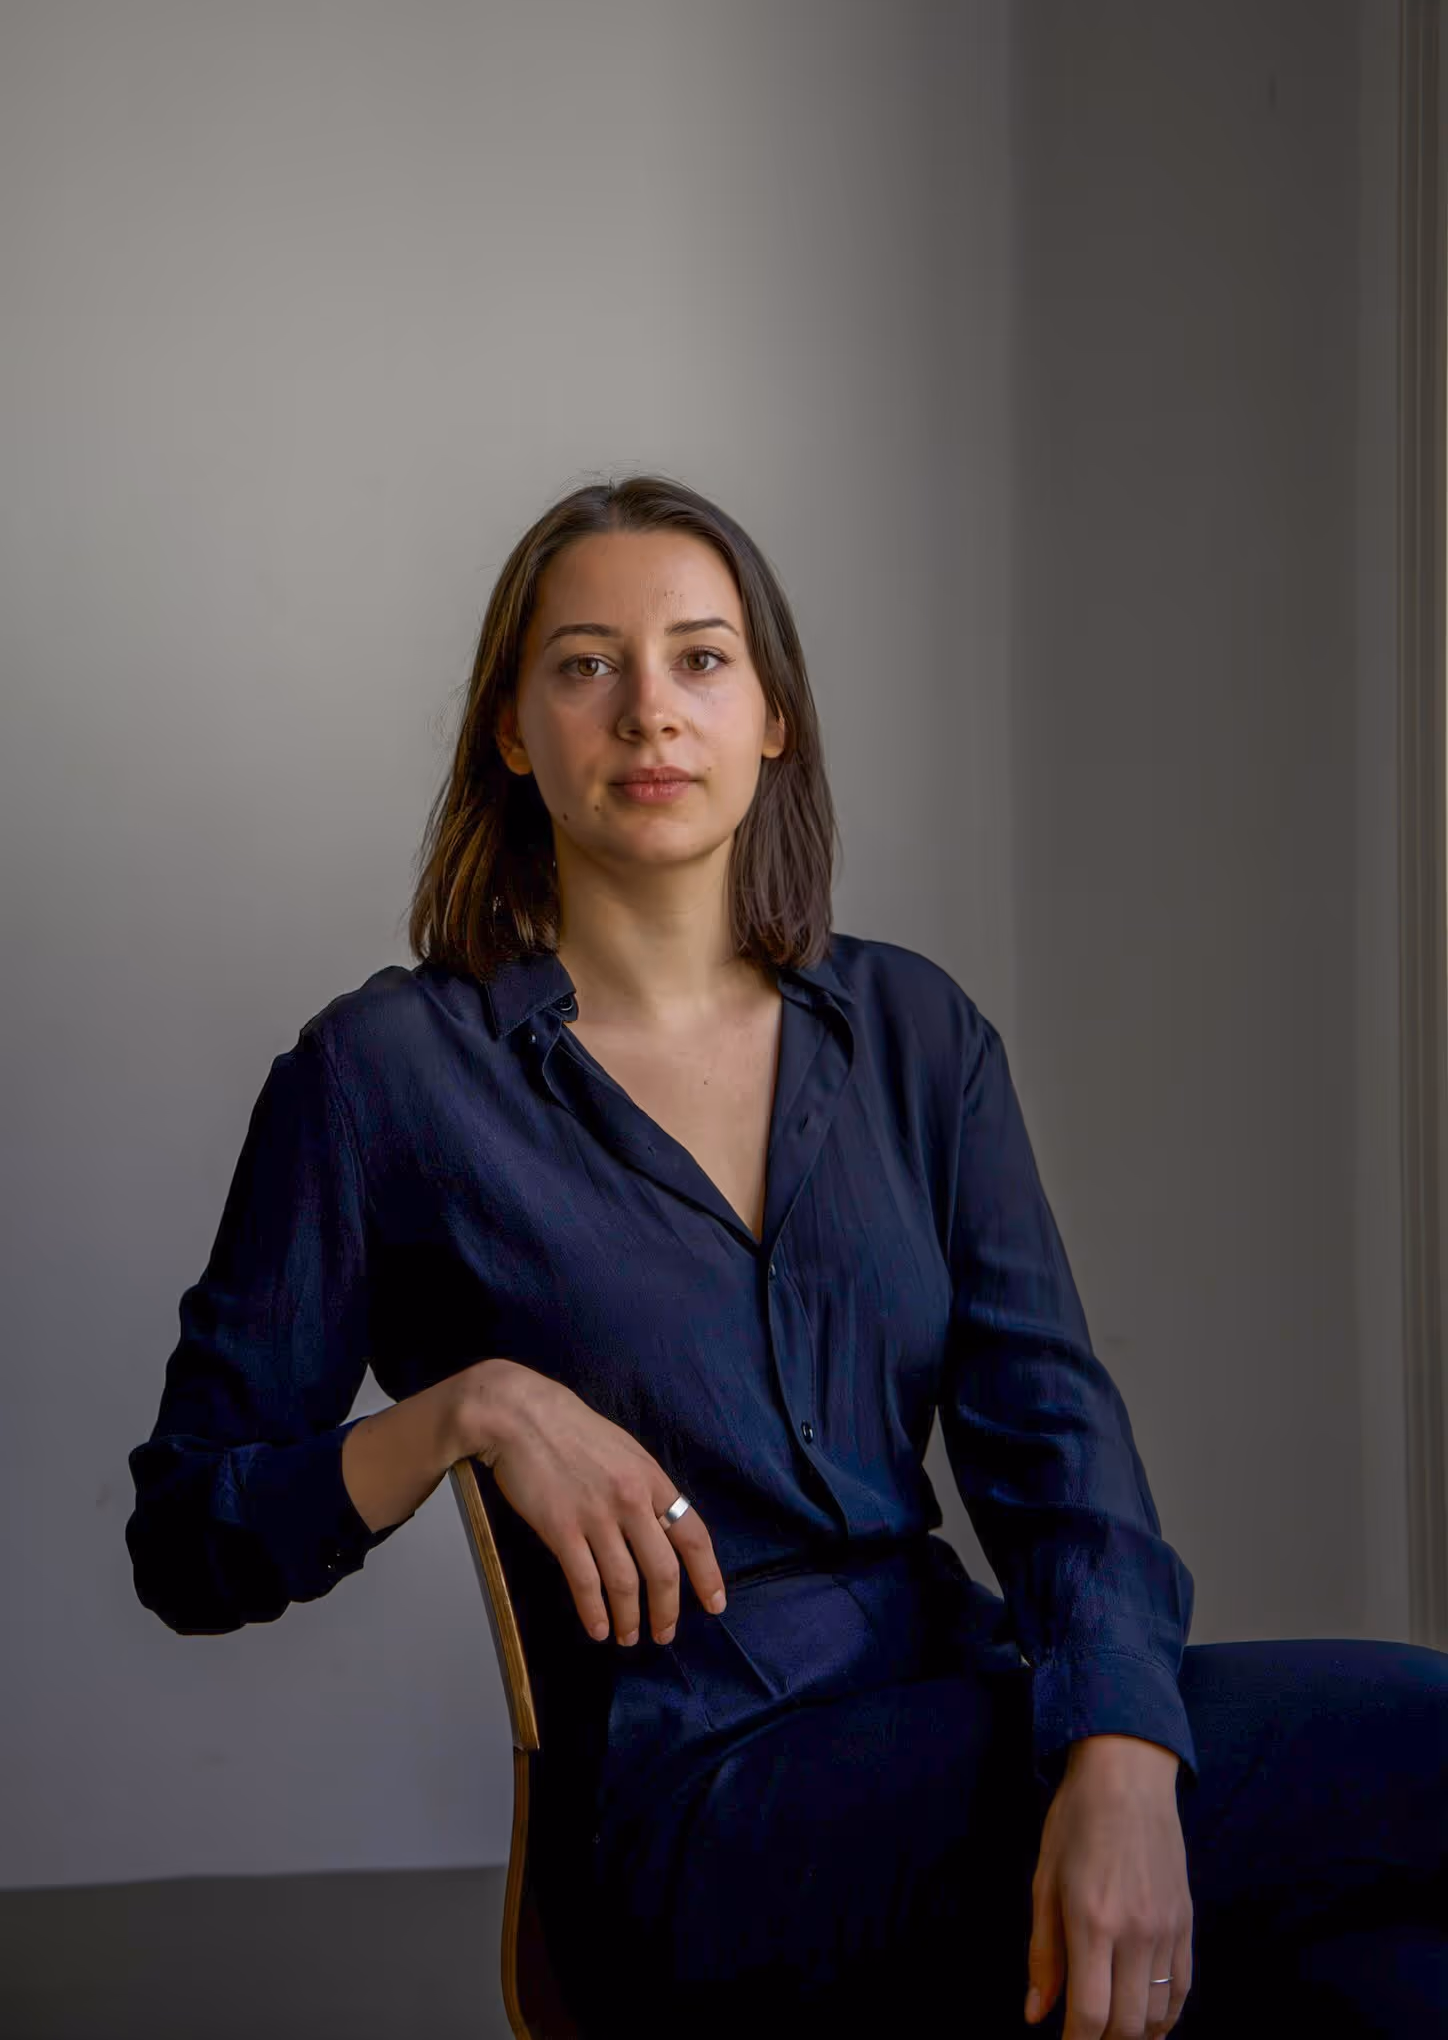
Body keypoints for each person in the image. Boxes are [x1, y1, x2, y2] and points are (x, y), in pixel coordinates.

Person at [127, 474, 1448, 2038]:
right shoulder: (385, 1077)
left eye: (700, 658)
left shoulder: (913, 1036)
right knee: (1421, 1737)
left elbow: (1065, 1462)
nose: (646, 713)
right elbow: (189, 1541)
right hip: (703, 1819)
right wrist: (461, 1411)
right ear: (510, 728)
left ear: (771, 720)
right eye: (583, 665)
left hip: (962, 1715)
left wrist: (1119, 1759)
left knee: (1384, 1983)